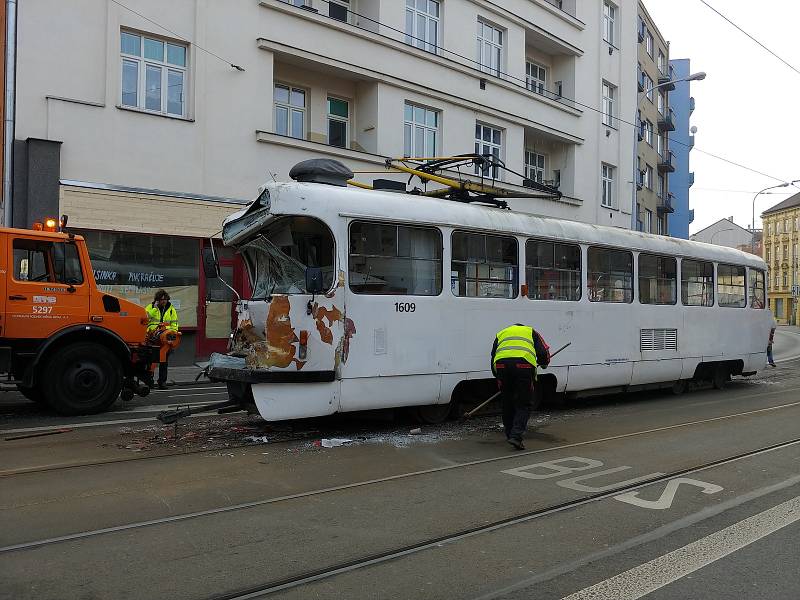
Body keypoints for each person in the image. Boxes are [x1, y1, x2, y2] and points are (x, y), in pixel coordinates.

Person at [491, 324, 550, 450]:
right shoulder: (531, 331)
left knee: (507, 402)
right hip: (523, 367)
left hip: (502, 366)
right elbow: (543, 351)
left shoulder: (502, 332)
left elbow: (493, 356)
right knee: (524, 403)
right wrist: (544, 364)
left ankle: (510, 435)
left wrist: (498, 376)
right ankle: (516, 436)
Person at [145, 289, 179, 389]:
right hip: (153, 338)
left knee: (164, 362)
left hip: (166, 338)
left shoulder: (171, 309)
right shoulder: (151, 307)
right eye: (162, 299)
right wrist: (155, 309)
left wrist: (173, 334)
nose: (164, 301)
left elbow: (175, 324)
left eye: (166, 299)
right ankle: (149, 381)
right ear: (157, 300)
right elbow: (145, 318)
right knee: (151, 361)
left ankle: (162, 382)